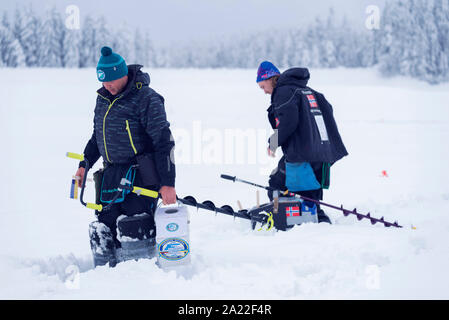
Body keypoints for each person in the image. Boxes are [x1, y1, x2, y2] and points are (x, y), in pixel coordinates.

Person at [75, 46, 176, 266]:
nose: (107, 85)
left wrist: (168, 183)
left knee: (133, 226)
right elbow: (97, 137)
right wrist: (84, 164)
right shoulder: (102, 99)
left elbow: (164, 142)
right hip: (111, 175)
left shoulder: (146, 98)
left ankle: (139, 280)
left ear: (123, 74)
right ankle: (105, 282)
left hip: (141, 175)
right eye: (103, 81)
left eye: (111, 80)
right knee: (104, 227)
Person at [257, 61, 348, 224]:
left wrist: (273, 143)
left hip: (302, 152)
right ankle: (315, 219)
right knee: (310, 193)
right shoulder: (309, 91)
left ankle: (282, 219)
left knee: (276, 184)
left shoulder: (283, 92)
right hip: (322, 152)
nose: (264, 92)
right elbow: (328, 110)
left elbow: (288, 122)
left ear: (271, 79)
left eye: (263, 86)